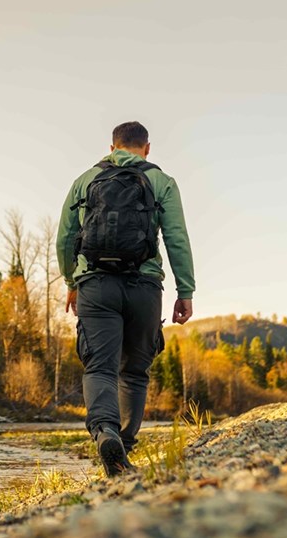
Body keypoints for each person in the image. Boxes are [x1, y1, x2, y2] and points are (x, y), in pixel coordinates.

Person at [56, 121, 195, 475]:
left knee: (100, 366)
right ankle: (125, 447)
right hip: (144, 286)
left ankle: (104, 431)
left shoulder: (86, 180)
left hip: (96, 285)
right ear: (147, 148)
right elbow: (177, 237)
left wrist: (73, 280)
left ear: (111, 145)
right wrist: (185, 290)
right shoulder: (161, 181)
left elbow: (64, 237)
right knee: (134, 372)